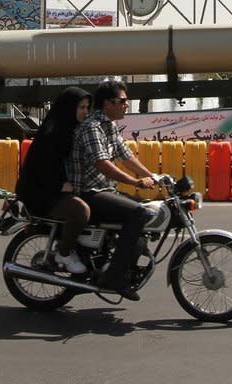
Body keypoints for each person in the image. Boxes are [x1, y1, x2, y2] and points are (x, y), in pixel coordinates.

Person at [68, 79, 156, 301]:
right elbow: (102, 163)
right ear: (108, 104)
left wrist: (151, 176)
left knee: (147, 212)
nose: (127, 105)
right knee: (138, 213)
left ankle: (116, 262)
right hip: (89, 193)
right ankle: (115, 276)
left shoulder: (109, 125)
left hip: (105, 190)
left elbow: (125, 155)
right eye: (123, 101)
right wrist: (135, 182)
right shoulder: (92, 127)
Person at [15, 87, 92, 275]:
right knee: (81, 211)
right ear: (69, 108)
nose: (85, 112)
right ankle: (63, 253)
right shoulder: (53, 133)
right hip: (41, 194)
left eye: (87, 107)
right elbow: (42, 167)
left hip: (57, 190)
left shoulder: (71, 130)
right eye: (81, 107)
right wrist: (60, 185)